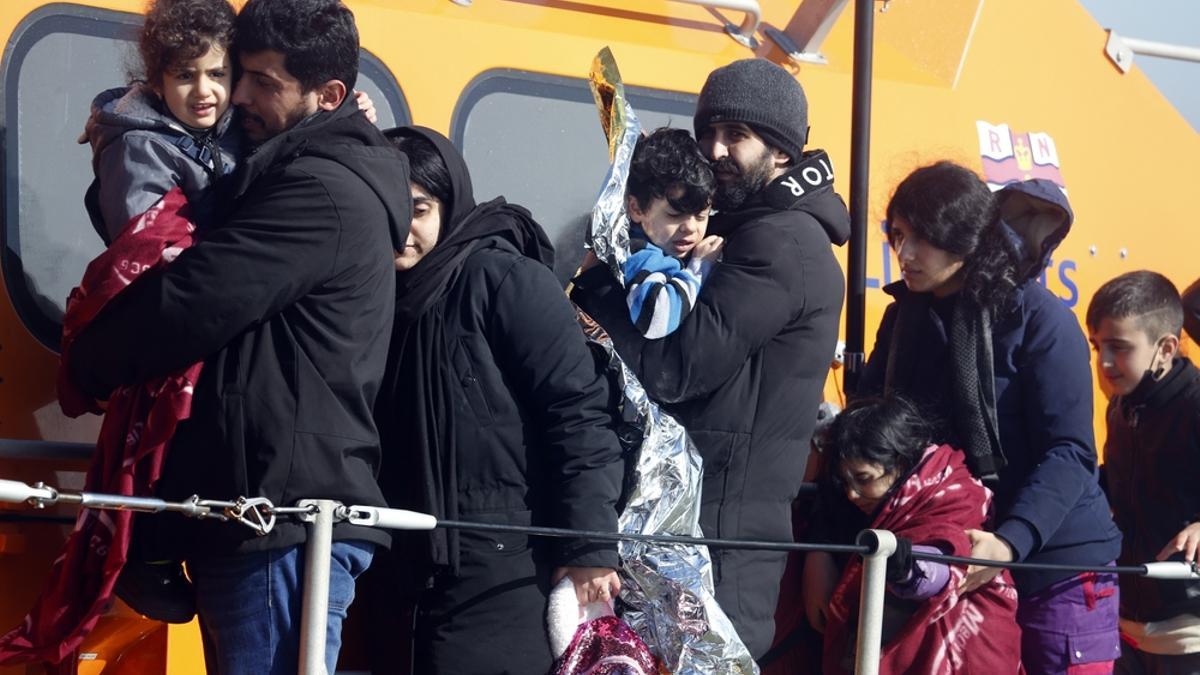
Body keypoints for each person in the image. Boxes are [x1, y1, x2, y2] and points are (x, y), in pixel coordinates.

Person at [64, 0, 411, 672]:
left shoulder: (322, 192)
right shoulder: (293, 165)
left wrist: (88, 365)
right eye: (239, 76)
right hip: (252, 511)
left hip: (279, 518)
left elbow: (199, 296)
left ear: (328, 95)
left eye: (263, 83)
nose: (239, 97)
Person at [572, 57, 851, 657]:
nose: (716, 150)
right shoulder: (744, 230)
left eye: (737, 136)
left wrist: (596, 292)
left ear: (781, 151)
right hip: (696, 530)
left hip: (720, 541)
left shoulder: (777, 243)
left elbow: (676, 370)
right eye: (708, 133)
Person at [855, 164, 1123, 673]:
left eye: (922, 239)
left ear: (966, 238)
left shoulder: (1042, 319)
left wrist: (1008, 542)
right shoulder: (902, 316)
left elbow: (1070, 453)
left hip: (1054, 567)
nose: (905, 254)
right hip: (949, 556)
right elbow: (865, 433)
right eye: (898, 236)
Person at [376, 126, 624, 674]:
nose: (402, 229)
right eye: (387, 209)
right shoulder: (374, 296)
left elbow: (577, 414)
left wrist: (588, 548)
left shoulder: (504, 279)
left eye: (417, 209)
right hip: (408, 574)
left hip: (506, 569)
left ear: (449, 203)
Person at [812, 396, 1021, 674]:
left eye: (863, 479)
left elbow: (946, 559)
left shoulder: (952, 493)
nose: (851, 494)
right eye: (845, 483)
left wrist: (906, 568)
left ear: (899, 461)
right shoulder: (884, 505)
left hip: (969, 650)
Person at [1087, 271, 1200, 674]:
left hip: (1188, 628)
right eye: (1097, 345)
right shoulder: (1121, 407)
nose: (1103, 361)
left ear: (1166, 348)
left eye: (1119, 347)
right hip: (1126, 620)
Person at [620, 127, 722, 339]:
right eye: (675, 215)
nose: (691, 227)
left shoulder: (658, 245)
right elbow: (655, 320)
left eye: (702, 216)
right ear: (636, 209)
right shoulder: (642, 255)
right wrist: (699, 268)